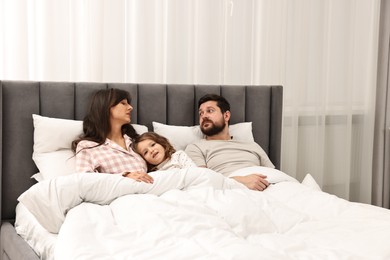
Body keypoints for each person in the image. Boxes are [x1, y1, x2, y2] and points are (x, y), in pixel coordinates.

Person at [185, 94, 275, 191]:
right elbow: (201, 181)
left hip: (265, 189)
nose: (204, 116)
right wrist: (240, 181)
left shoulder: (252, 145)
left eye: (210, 111)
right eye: (201, 113)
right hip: (227, 192)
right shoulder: (196, 147)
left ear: (226, 115)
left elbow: (274, 175)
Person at [71, 88, 153, 184]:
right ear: (106, 107)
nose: (130, 107)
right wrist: (124, 176)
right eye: (123, 103)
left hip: (150, 193)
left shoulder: (135, 142)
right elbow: (85, 181)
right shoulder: (88, 146)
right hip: (120, 196)